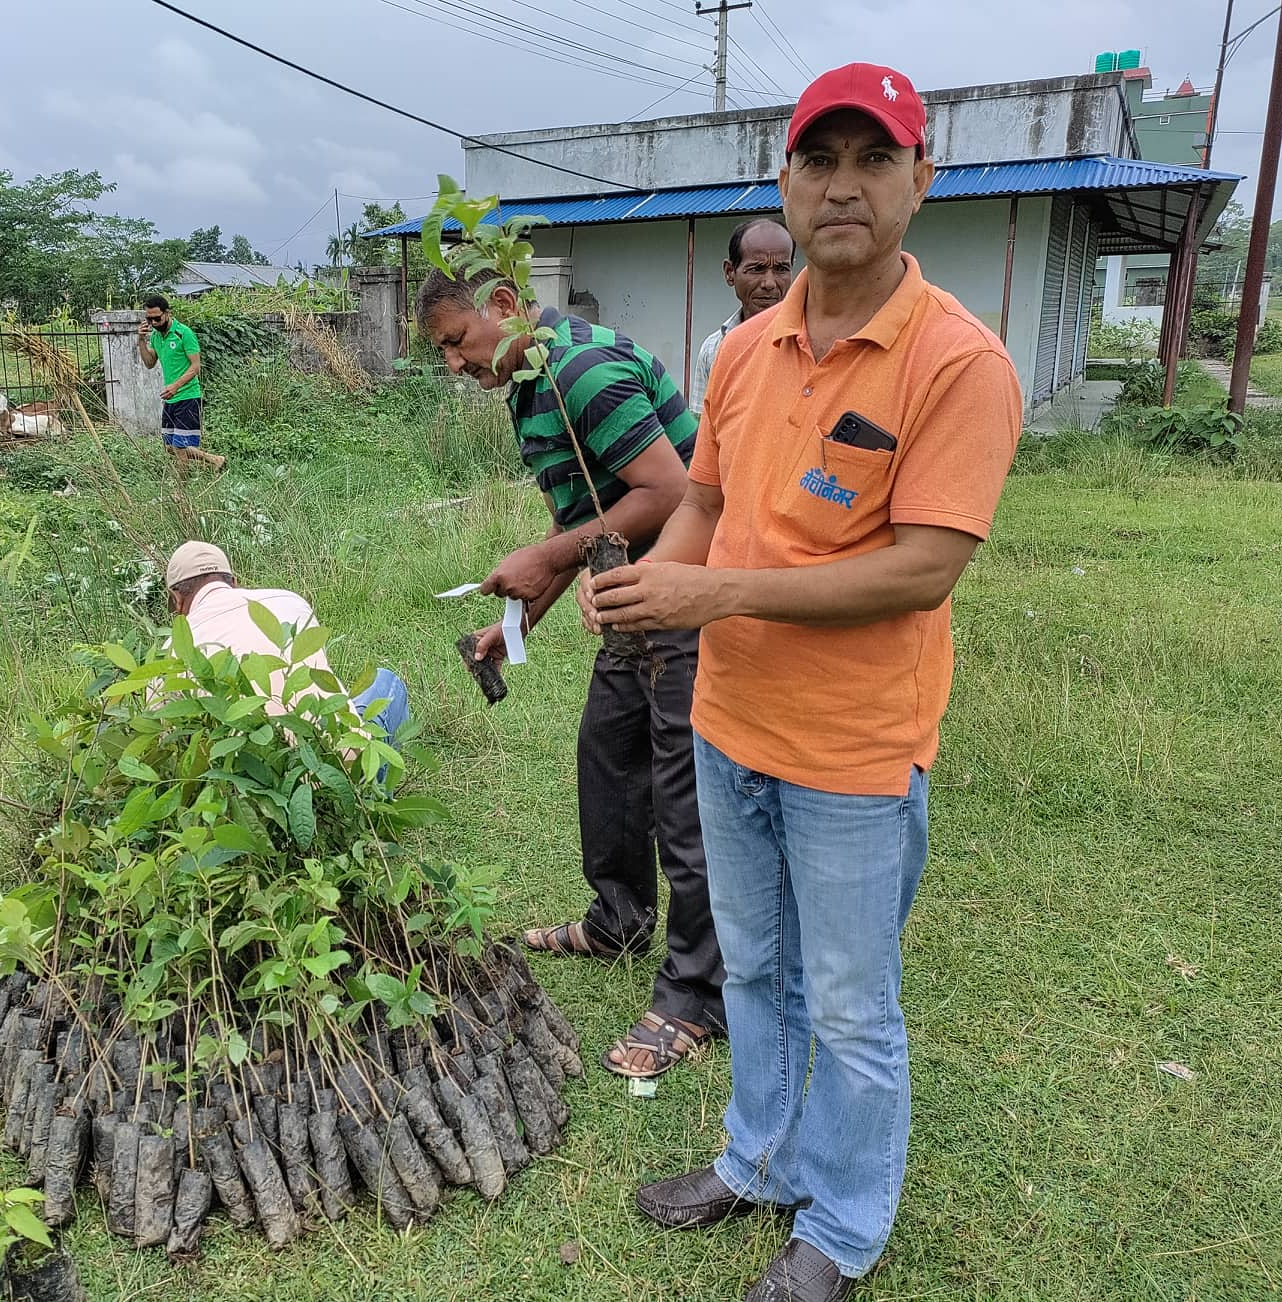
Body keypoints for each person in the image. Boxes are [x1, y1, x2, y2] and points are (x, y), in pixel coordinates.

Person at [580, 64, 1022, 1300]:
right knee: (758, 971)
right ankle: (760, 1160)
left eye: (873, 161)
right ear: (783, 179)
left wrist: (708, 596)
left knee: (851, 1004)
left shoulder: (956, 365)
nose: (843, 187)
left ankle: (841, 1226)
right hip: (729, 726)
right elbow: (707, 503)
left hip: (854, 753)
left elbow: (923, 570)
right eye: (818, 161)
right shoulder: (744, 351)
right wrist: (647, 592)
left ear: (920, 183)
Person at [417, 266, 726, 1080]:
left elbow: (670, 491)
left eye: (455, 341)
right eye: (442, 353)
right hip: (631, 600)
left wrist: (548, 553)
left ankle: (700, 994)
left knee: (681, 792)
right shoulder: (530, 383)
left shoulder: (581, 371)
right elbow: (584, 525)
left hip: (684, 592)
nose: (453, 365)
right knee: (608, 752)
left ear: (507, 307)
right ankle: (618, 920)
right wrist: (514, 622)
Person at [163, 541, 408, 742]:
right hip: (338, 771)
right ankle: (373, 793)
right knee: (386, 681)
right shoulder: (289, 600)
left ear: (176, 599)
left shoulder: (171, 651)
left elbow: (166, 733)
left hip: (241, 790)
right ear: (233, 581)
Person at [688, 218, 795, 411]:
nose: (769, 283)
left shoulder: (810, 343)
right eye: (757, 269)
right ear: (730, 273)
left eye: (781, 269)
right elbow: (702, 427)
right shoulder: (714, 349)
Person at [139, 295, 225, 472]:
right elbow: (149, 363)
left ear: (167, 313)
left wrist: (176, 386)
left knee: (179, 449)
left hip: (187, 396)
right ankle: (214, 459)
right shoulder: (155, 336)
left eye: (157, 318)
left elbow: (196, 367)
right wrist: (141, 340)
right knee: (169, 447)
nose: (153, 322)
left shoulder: (184, 333)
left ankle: (180, 494)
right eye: (149, 319)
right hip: (170, 399)